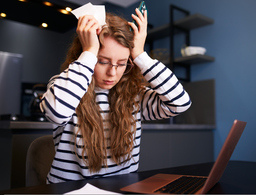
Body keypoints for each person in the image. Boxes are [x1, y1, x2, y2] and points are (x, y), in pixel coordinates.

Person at [40, 8, 191, 184]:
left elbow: (180, 103)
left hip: (121, 189)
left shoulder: (135, 96)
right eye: (102, 61)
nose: (112, 72)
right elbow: (56, 112)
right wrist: (89, 51)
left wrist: (140, 55)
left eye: (121, 64)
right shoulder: (65, 85)